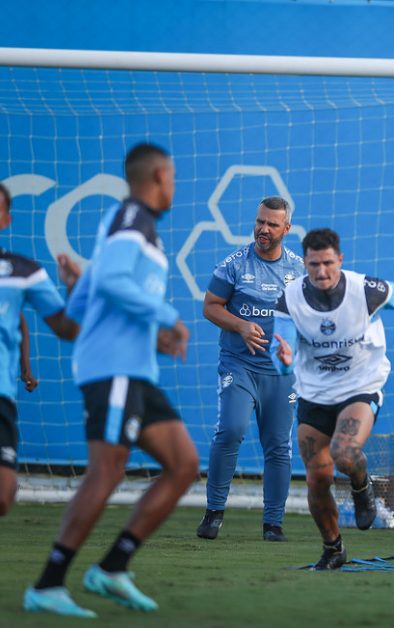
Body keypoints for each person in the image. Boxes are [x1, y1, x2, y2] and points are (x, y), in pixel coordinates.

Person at [24, 143, 197, 617]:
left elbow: (86, 306)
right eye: (175, 177)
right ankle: (48, 582)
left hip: (135, 370)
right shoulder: (132, 221)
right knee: (107, 470)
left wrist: (79, 288)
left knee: (183, 464)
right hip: (115, 369)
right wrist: (167, 318)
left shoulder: (127, 226)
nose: (175, 187)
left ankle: (113, 567)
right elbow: (117, 284)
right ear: (160, 174)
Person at [271, 228, 394, 570]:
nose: (321, 272)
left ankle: (362, 489)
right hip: (314, 395)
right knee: (317, 479)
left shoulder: (366, 290)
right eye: (314, 264)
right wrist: (283, 359)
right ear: (304, 263)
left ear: (340, 260)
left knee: (344, 453)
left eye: (328, 263)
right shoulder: (289, 298)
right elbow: (281, 351)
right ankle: (333, 548)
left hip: (361, 386)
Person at [196, 196, 303, 542]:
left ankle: (273, 523)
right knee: (230, 429)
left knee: (278, 445)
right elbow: (210, 307)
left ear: (286, 229)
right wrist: (240, 325)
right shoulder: (234, 265)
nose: (263, 229)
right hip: (239, 366)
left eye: (272, 224)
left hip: (280, 373)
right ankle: (214, 512)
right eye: (260, 222)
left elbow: (313, 316)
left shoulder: (299, 270)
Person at [0, 183, 79, 518]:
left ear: (5, 219)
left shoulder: (22, 272)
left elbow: (67, 328)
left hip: (1, 395)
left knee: (3, 495)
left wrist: (74, 287)